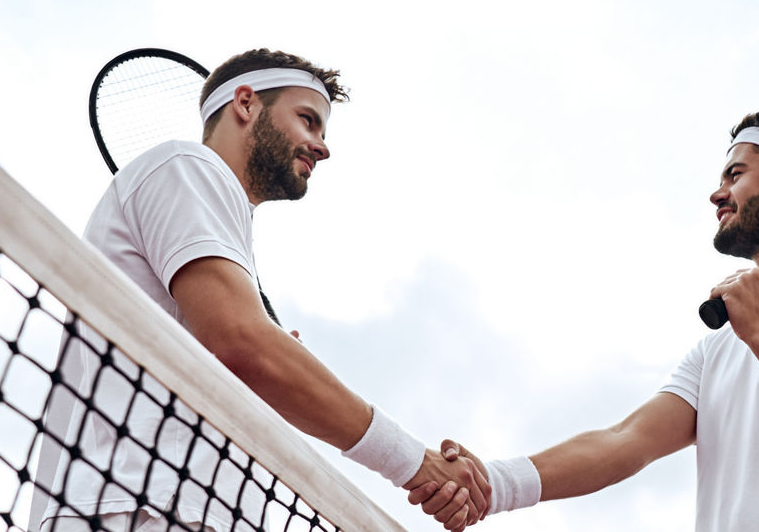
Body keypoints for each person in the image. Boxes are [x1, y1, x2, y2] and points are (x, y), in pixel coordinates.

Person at [410, 113, 759, 531]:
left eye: (736, 174)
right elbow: (626, 439)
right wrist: (493, 484)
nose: (717, 194)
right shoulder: (721, 344)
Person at [35, 49, 489, 532]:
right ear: (246, 103)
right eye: (308, 120)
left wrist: (266, 372)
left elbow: (244, 356)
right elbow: (244, 345)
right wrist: (413, 463)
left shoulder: (220, 225)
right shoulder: (187, 165)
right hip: (137, 507)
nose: (322, 146)